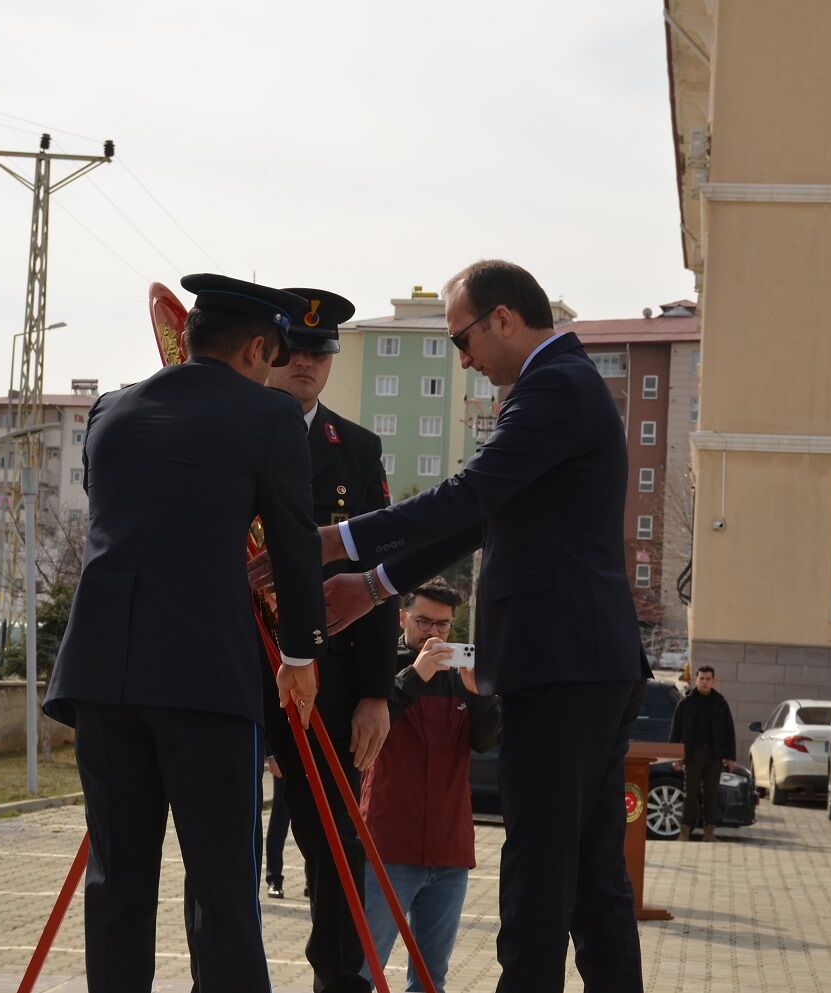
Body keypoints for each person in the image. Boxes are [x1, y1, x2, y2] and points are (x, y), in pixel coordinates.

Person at [256, 259, 651, 993]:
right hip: (587, 663)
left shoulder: (553, 389)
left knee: (539, 883)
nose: (462, 358)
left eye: (462, 339)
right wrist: (374, 584)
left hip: (561, 667)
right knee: (595, 882)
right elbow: (482, 517)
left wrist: (334, 540)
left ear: (503, 319)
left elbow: (467, 495)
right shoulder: (554, 388)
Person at [44, 274, 328, 993]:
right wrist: (300, 655)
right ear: (257, 347)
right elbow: (294, 547)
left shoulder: (109, 410)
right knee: (221, 888)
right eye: (273, 356)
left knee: (117, 881)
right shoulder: (270, 418)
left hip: (103, 675)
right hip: (206, 678)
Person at [262, 287, 398, 993]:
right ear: (266, 349)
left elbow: (375, 579)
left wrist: (376, 691)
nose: (307, 363)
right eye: (294, 349)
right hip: (236, 664)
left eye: (320, 352)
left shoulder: (357, 449)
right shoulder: (230, 430)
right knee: (221, 845)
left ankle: (338, 982)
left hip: (331, 680)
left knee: (334, 846)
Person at [359, 578, 500, 993]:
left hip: (450, 854)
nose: (434, 634)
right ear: (402, 618)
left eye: (443, 626)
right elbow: (369, 729)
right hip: (389, 847)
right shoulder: (381, 666)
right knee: (365, 970)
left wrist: (478, 695)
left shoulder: (463, 676)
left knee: (430, 978)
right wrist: (415, 674)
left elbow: (487, 741)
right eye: (423, 622)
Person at [670, 665, 735, 842]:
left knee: (710, 795)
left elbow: (729, 732)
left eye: (708, 679)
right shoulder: (686, 702)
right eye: (702, 679)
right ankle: (684, 832)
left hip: (714, 756)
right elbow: (676, 730)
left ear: (714, 681)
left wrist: (730, 757)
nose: (705, 682)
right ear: (696, 680)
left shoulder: (720, 703)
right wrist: (676, 756)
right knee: (690, 794)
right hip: (692, 755)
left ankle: (709, 833)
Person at [265, 751, 292, 897]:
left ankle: (311, 879)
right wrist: (272, 755)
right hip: (284, 754)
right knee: (279, 820)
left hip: (311, 752)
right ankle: (274, 878)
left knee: (312, 823)